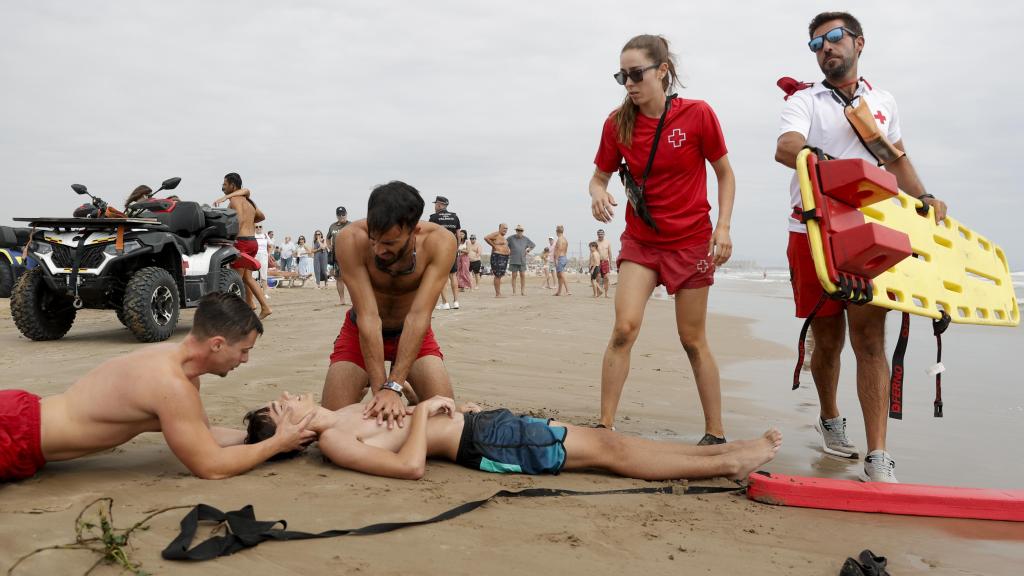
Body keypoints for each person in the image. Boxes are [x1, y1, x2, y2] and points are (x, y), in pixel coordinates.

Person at [774, 12, 946, 483]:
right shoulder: (805, 100)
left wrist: (925, 197)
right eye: (816, 44)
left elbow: (897, 158)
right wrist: (822, 161)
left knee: (870, 340)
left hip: (870, 232)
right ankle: (830, 415)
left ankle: (878, 454)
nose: (825, 48)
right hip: (812, 230)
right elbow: (786, 146)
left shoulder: (883, 102)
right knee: (826, 340)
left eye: (833, 38)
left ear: (859, 43)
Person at [590, 35, 736, 443]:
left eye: (636, 74)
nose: (629, 83)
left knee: (692, 339)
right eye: (622, 76)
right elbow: (599, 176)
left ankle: (715, 433)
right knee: (624, 328)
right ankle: (604, 426)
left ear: (662, 71)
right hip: (642, 242)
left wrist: (723, 228)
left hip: (692, 240)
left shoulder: (697, 115)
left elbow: (725, 173)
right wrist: (598, 192)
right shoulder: (617, 124)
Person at [0, 293, 313, 482]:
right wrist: (277, 444)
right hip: (15, 436)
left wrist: (271, 434)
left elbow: (201, 435)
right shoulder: (171, 385)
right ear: (217, 344)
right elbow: (210, 467)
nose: (244, 360)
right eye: (244, 350)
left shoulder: (178, 367)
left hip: (22, 415)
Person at [244, 393, 782, 482]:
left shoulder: (339, 413)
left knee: (600, 439)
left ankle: (723, 454)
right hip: (487, 448)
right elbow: (409, 467)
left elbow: (232, 436)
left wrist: (425, 406)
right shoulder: (333, 441)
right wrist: (425, 415)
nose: (288, 396)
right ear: (290, 430)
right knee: (609, 452)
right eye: (280, 406)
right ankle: (724, 465)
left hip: (485, 427)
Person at [322, 181, 457, 427]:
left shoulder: (441, 242)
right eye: (374, 240)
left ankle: (408, 388)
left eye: (389, 244)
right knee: (332, 426)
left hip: (412, 332)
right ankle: (373, 382)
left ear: (414, 230)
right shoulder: (350, 239)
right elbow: (368, 318)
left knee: (445, 421)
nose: (378, 250)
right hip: (360, 330)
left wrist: (393, 387)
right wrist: (381, 391)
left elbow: (418, 317)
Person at [215, 173, 272, 319]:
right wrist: (250, 221)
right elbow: (261, 216)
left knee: (236, 278)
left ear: (233, 186)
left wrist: (231, 238)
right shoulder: (249, 202)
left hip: (242, 242)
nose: (223, 187)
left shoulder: (234, 200)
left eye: (225, 184)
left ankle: (236, 312)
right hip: (252, 241)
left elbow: (238, 220)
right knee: (247, 277)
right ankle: (255, 305)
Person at [428, 195, 461, 310]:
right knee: (453, 276)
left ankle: (445, 303)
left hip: (440, 250)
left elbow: (431, 235)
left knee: (441, 276)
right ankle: (456, 302)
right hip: (452, 249)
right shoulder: (454, 217)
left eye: (436, 204)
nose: (435, 206)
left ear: (440, 205)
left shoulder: (434, 217)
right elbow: (458, 234)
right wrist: (457, 247)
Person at [327, 206, 351, 305]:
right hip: (336, 256)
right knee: (339, 278)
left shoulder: (351, 225)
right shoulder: (333, 226)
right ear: (337, 215)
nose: (341, 216)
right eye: (339, 215)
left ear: (346, 214)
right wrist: (329, 247)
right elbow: (328, 238)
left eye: (343, 214)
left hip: (350, 256)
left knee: (350, 279)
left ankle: (354, 300)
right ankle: (342, 300)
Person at [506, 225, 536, 296]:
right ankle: (514, 292)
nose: (519, 232)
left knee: (523, 275)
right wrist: (507, 250)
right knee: (514, 276)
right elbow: (504, 244)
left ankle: (523, 291)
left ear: (523, 231)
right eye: (518, 230)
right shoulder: (510, 238)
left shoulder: (526, 239)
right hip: (513, 260)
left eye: (521, 230)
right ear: (516, 231)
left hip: (522, 260)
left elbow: (533, 245)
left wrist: (528, 250)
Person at [484, 224, 510, 298]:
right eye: (504, 228)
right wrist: (494, 246)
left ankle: (499, 293)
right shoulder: (496, 234)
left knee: (500, 275)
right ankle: (497, 294)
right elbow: (486, 238)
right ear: (500, 228)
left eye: (506, 229)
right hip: (498, 256)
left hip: (504, 256)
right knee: (497, 275)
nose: (505, 230)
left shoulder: (503, 237)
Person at [552, 225, 571, 296]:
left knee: (562, 274)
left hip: (560, 258)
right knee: (559, 275)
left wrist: (556, 259)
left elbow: (559, 249)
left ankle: (568, 290)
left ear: (557, 232)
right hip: (563, 257)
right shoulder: (565, 239)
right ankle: (559, 292)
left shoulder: (560, 239)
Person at [595, 229, 614, 297]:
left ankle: (606, 294)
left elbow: (610, 253)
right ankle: (597, 292)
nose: (600, 235)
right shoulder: (595, 243)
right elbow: (593, 253)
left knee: (606, 278)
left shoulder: (607, 242)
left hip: (605, 262)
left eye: (601, 234)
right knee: (598, 277)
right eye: (599, 234)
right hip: (598, 262)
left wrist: (611, 264)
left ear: (604, 234)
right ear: (597, 235)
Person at [255, 225, 270, 297]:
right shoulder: (253, 235)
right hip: (255, 255)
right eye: (257, 227)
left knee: (264, 275)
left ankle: (265, 293)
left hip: (263, 255)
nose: (258, 228)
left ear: (262, 228)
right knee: (254, 275)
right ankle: (256, 293)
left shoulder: (265, 235)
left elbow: (271, 245)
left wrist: (269, 254)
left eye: (260, 226)